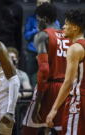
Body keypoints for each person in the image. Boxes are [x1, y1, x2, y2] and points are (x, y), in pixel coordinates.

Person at [22, 3, 71, 135]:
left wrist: (38, 100)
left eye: (38, 20)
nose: (37, 23)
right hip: (66, 88)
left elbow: (44, 70)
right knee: (62, 129)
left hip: (49, 87)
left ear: (44, 19)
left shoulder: (42, 36)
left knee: (29, 128)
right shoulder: (68, 37)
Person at [46, 9, 85, 135]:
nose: (63, 27)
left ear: (75, 28)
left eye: (66, 24)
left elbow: (68, 82)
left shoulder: (75, 48)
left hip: (79, 100)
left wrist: (54, 109)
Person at [23, 0, 60, 88]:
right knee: (31, 75)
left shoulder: (56, 22)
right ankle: (31, 96)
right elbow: (26, 36)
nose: (41, 5)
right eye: (39, 3)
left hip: (48, 53)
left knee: (49, 74)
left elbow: (57, 38)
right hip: (32, 51)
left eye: (44, 3)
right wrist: (36, 30)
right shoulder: (31, 19)